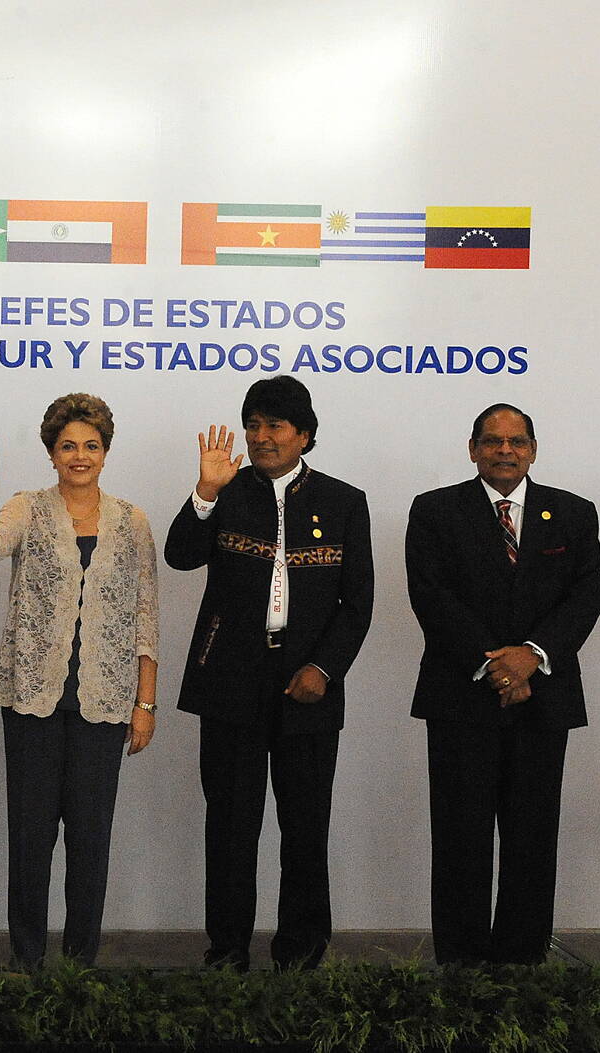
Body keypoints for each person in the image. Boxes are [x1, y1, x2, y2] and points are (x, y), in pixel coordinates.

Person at [164, 376, 372, 971]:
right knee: (230, 825)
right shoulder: (227, 491)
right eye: (252, 425)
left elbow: (358, 603)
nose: (261, 437)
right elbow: (181, 554)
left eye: (275, 426)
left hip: (308, 686)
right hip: (229, 683)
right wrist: (205, 491)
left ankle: (302, 950)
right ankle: (227, 948)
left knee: (305, 826)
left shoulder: (342, 500)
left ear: (305, 435)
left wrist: (324, 668)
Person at [0, 396, 157, 969]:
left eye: (91, 445)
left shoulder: (133, 521)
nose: (80, 456)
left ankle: (81, 960)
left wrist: (145, 703)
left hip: (105, 703)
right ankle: (27, 960)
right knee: (31, 838)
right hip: (33, 699)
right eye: (68, 446)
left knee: (91, 841)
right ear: (51, 452)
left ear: (106, 452)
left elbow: (145, 616)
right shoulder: (28, 508)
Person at [405, 404, 600, 966]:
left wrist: (532, 658)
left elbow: (587, 595)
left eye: (517, 441)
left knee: (532, 842)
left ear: (534, 450)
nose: (505, 450)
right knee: (460, 841)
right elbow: (430, 595)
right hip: (460, 699)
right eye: (492, 441)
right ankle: (462, 968)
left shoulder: (573, 513)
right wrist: (494, 664)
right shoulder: (435, 511)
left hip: (544, 700)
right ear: (472, 449)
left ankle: (521, 964)